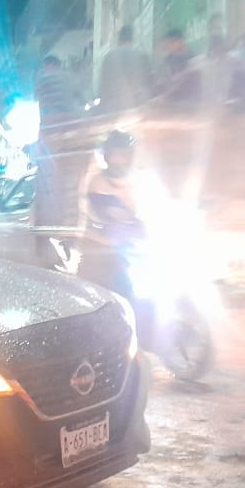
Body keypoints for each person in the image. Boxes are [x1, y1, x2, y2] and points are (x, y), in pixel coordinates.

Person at [79, 130, 145, 303]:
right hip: (100, 253)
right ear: (107, 157)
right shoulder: (98, 183)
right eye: (117, 155)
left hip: (125, 250)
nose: (122, 160)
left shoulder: (137, 180)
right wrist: (136, 227)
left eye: (125, 155)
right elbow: (114, 217)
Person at [97, 25, 153, 113]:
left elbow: (104, 85)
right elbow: (149, 82)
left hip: (115, 105)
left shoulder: (109, 56)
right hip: (138, 104)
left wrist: (102, 106)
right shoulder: (142, 56)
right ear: (132, 38)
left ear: (119, 39)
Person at [34, 55, 81, 123]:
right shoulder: (68, 77)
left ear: (51, 65)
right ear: (58, 65)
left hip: (48, 122)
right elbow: (79, 94)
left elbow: (35, 98)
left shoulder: (41, 80)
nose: (44, 69)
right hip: (69, 119)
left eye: (44, 66)